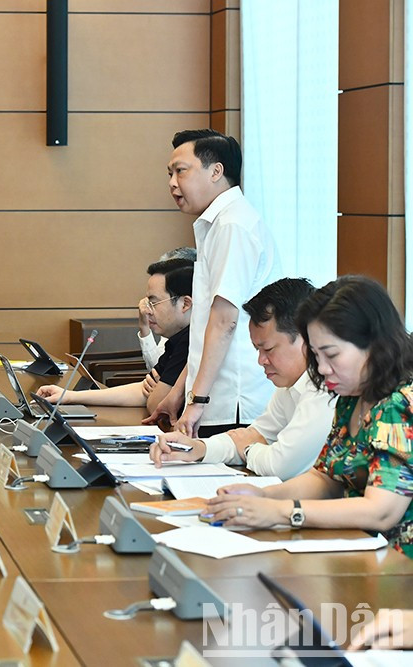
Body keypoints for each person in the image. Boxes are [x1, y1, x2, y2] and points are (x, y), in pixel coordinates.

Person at [205, 276, 413, 559]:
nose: (323, 369)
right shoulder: (351, 396)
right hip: (359, 550)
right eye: (316, 356)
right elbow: (325, 477)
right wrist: (262, 496)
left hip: (399, 566)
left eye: (331, 355)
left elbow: (381, 511)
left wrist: (281, 511)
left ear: (374, 343)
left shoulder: (401, 403)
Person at [147, 129, 283, 438]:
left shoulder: (233, 225)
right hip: (214, 397)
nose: (171, 183)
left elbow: (224, 322)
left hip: (233, 401)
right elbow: (203, 326)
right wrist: (179, 393)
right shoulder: (221, 222)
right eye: (169, 173)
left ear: (216, 171)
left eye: (181, 171)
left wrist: (197, 401)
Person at [151, 278, 337, 479]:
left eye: (268, 349)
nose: (261, 360)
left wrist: (247, 448)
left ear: (305, 337)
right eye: (257, 350)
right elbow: (257, 434)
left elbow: (280, 465)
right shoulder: (288, 386)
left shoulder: (326, 387)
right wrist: (198, 448)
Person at [36, 258, 193, 414]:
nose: (146, 311)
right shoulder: (176, 340)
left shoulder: (191, 341)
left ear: (185, 304)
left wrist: (157, 393)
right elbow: (142, 391)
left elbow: (155, 405)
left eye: (153, 303)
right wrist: (69, 396)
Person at [138, 247, 197, 369]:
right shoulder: (174, 332)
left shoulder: (194, 339)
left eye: (154, 303)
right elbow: (158, 373)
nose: (147, 310)